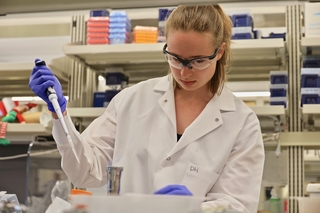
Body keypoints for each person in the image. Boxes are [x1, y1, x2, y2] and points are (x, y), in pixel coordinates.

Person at [29, 4, 265, 213]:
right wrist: (60, 115)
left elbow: (237, 205)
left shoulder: (242, 123)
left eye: (198, 61)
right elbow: (85, 172)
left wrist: (192, 209)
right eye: (175, 58)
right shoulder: (131, 101)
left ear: (219, 52)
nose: (184, 71)